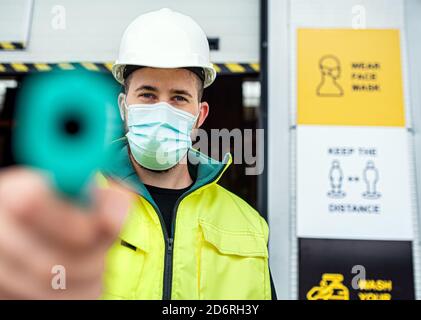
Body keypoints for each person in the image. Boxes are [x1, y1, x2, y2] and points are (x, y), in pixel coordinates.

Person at [0, 8, 275, 300]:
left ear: (200, 116)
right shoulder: (66, 209)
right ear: (123, 107)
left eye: (179, 98)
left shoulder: (248, 226)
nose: (162, 110)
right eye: (148, 95)